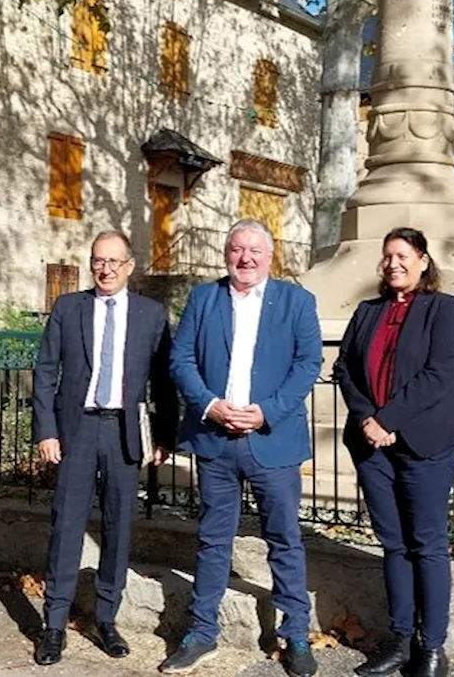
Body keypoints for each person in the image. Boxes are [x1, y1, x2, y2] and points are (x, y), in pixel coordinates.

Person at [159, 219, 322, 677]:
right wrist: (210, 406)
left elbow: (308, 363)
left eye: (255, 250)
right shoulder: (204, 298)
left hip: (271, 439)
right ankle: (201, 633)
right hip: (216, 439)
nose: (245, 258)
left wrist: (268, 410)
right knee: (213, 541)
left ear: (270, 257)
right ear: (226, 253)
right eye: (237, 249)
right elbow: (181, 358)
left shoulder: (297, 301)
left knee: (285, 540)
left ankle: (295, 635)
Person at [31, 231, 178, 665]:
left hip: (123, 434)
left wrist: (165, 435)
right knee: (66, 527)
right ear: (91, 263)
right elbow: (44, 372)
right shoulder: (69, 307)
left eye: (115, 261)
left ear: (130, 266)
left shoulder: (151, 315)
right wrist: (46, 431)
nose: (106, 269)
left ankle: (106, 618)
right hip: (76, 430)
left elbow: (164, 382)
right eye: (99, 260)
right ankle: (54, 624)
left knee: (118, 527)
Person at [332, 228, 454, 677]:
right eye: (388, 256)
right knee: (392, 544)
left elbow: (440, 373)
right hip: (372, 446)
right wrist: (368, 418)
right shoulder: (368, 311)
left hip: (426, 442)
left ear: (423, 261)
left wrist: (388, 419)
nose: (394, 263)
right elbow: (344, 367)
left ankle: (431, 647)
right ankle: (400, 640)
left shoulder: (443, 309)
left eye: (404, 255)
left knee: (426, 545)